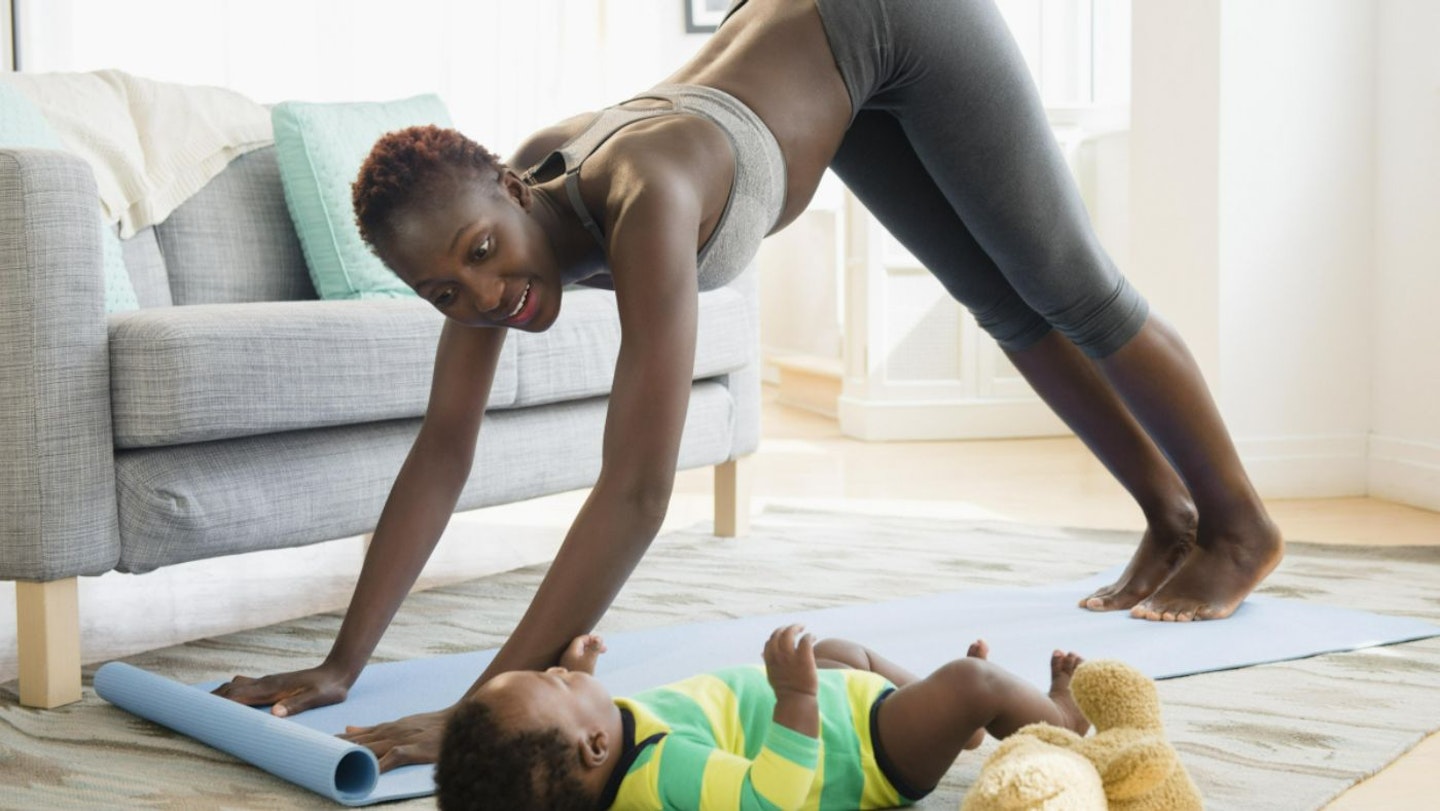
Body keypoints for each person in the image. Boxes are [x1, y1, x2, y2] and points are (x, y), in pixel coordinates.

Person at [214, 0, 1283, 770]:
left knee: (1072, 289)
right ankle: (1168, 515)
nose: (486, 295)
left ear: (506, 184)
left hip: (895, 20)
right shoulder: (511, 212)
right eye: (445, 290)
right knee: (1005, 308)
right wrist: (343, 661)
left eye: (485, 252)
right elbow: (445, 445)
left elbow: (636, 491)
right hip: (821, 60)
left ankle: (1236, 527)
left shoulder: (651, 194)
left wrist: (488, 709)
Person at [433, 626, 1088, 810]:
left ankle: (958, 728)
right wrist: (796, 696)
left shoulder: (600, 756)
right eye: (555, 682)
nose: (555, 668)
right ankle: (1057, 715)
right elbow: (772, 795)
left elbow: (585, 734)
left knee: (840, 651)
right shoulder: (666, 776)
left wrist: (586, 678)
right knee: (970, 680)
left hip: (843, 709)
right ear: (597, 744)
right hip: (862, 751)